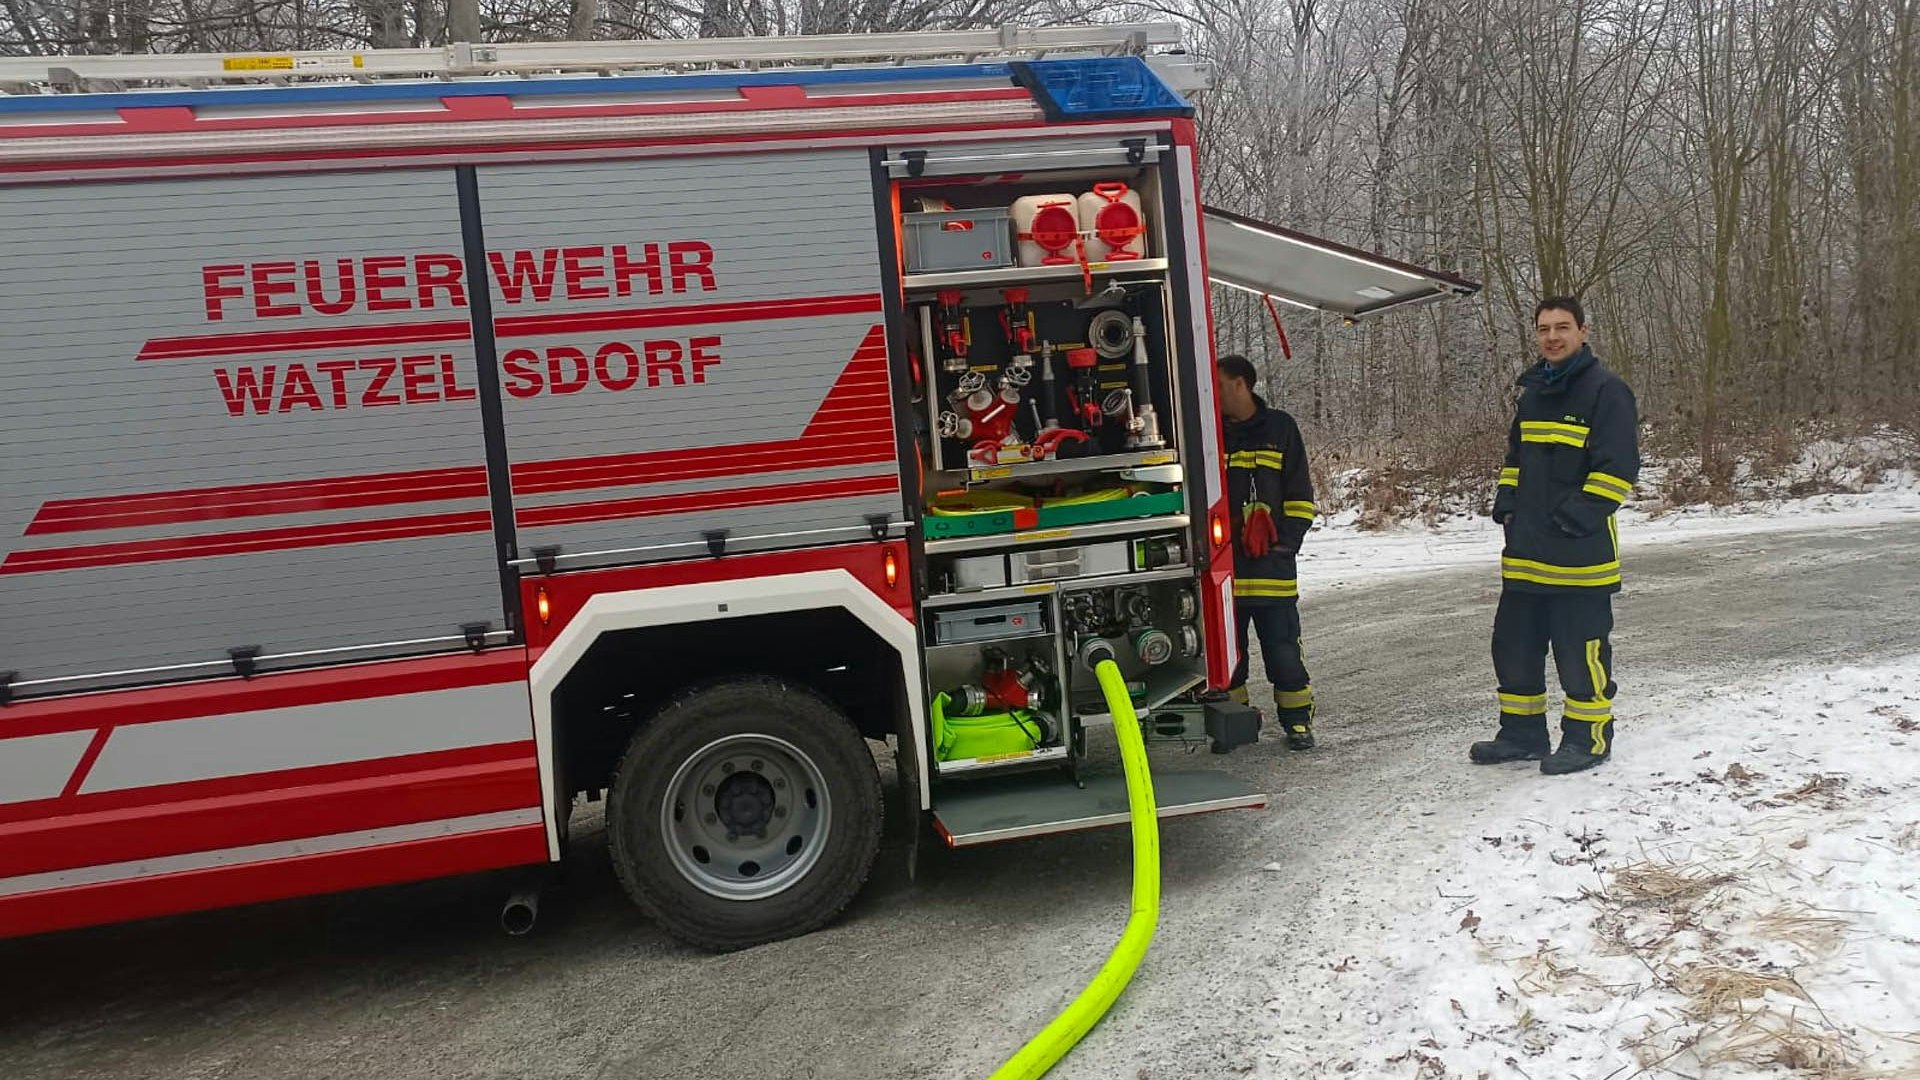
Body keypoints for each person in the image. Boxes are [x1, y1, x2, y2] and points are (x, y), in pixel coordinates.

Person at [1472, 296, 1640, 774]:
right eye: (1544, 328)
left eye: (1562, 327)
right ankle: (1522, 735)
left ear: (1584, 331)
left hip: (1578, 556)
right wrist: (1507, 506)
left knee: (1579, 651)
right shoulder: (1533, 393)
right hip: (1525, 555)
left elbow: (1618, 469)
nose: (1552, 337)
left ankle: (1589, 739)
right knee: (1514, 647)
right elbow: (1515, 460)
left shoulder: (1607, 391)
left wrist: (1573, 518)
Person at [1215, 354, 1317, 750]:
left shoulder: (1281, 428)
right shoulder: (1211, 433)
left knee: (1283, 653)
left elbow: (1300, 495)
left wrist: (1285, 542)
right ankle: (1237, 727)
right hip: (1227, 571)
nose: (1214, 395)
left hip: (1272, 569)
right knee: (1230, 658)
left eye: (1219, 385)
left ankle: (1297, 723)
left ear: (1241, 384)